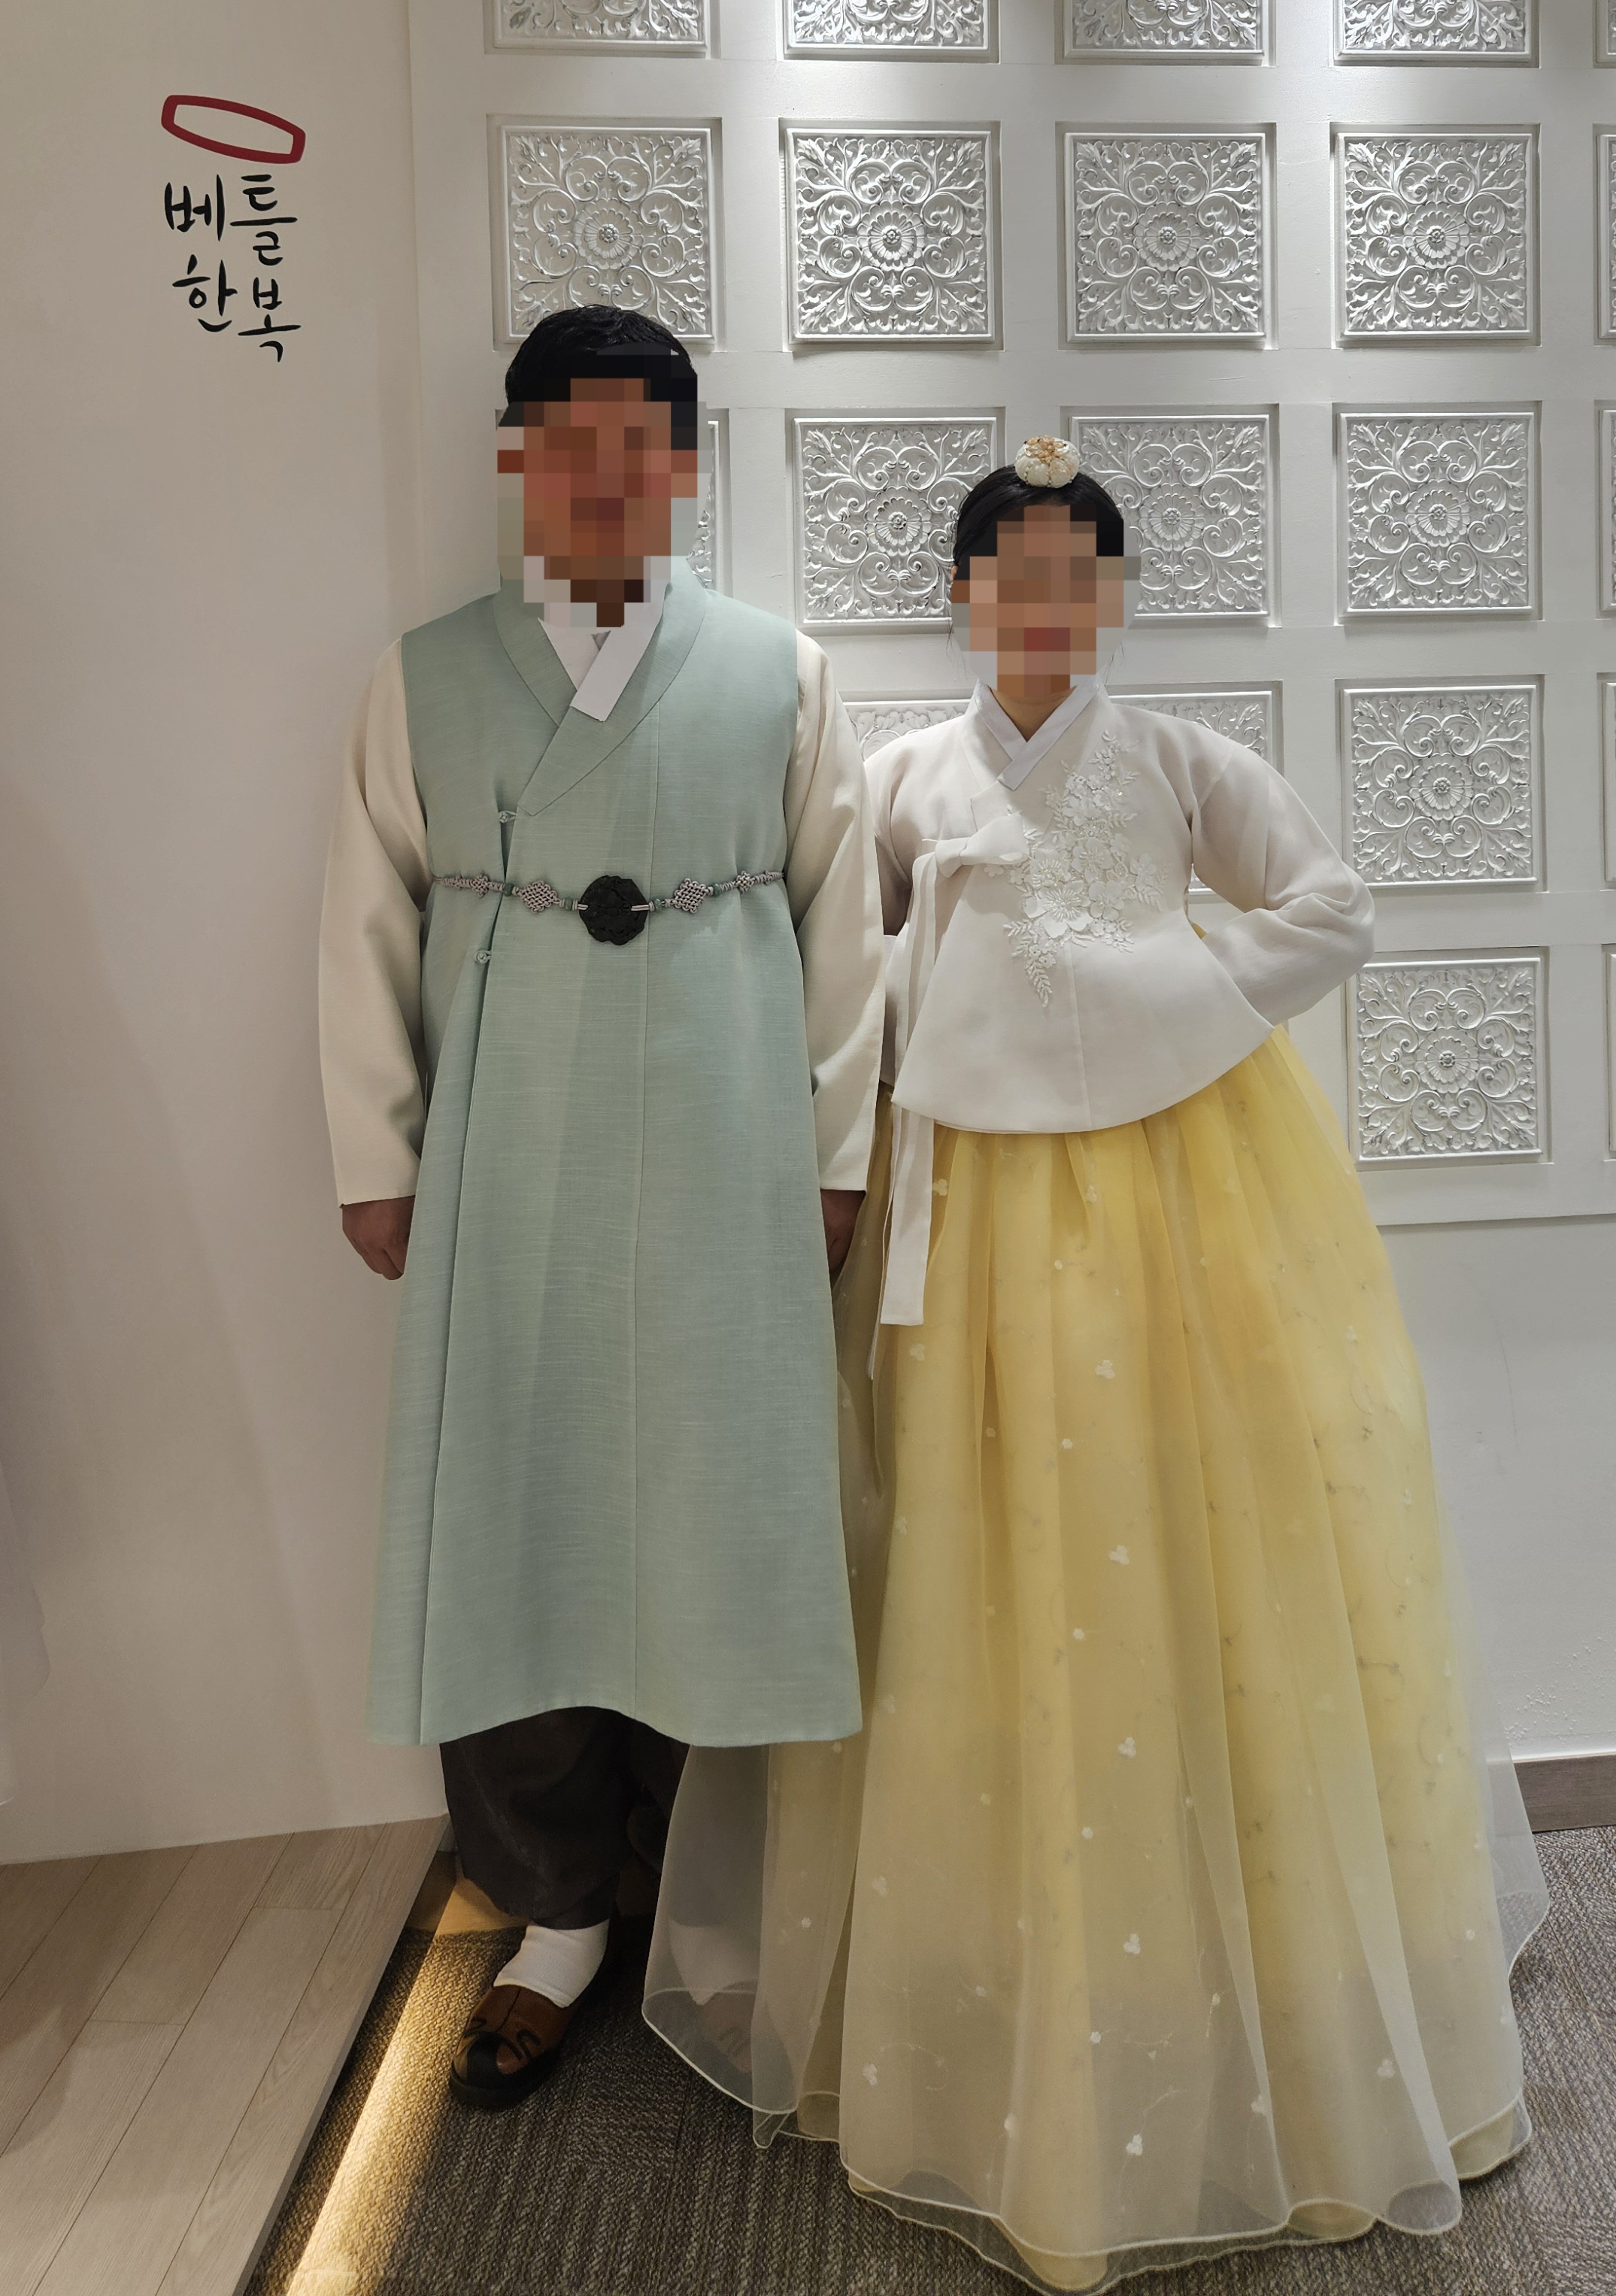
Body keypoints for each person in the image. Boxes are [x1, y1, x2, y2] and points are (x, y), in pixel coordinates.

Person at [647, 435, 1547, 2291]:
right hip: (967, 1214)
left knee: (1195, 1526)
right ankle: (992, 1957)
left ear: (1112, 593)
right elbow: (839, 977)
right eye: (1011, 572)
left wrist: (1142, 993)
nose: (1043, 603)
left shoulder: (1181, 763)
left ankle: (1250, 1956)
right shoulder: (904, 775)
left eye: (1077, 571)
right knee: (979, 1542)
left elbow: (1331, 909)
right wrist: (906, 1042)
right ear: (961, 594)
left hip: (1178, 1203)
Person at [320, 305, 883, 2110]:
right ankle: (556, 1912)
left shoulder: (777, 668)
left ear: (684, 460)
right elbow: (365, 915)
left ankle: (721, 1897)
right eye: (566, 437)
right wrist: (376, 1151)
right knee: (521, 1513)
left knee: (716, 1515)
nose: (603, 473)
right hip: (511, 1152)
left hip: (725, 1142)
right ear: (520, 453)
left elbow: (846, 927)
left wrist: (836, 1154)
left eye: (640, 439)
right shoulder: (424, 674)